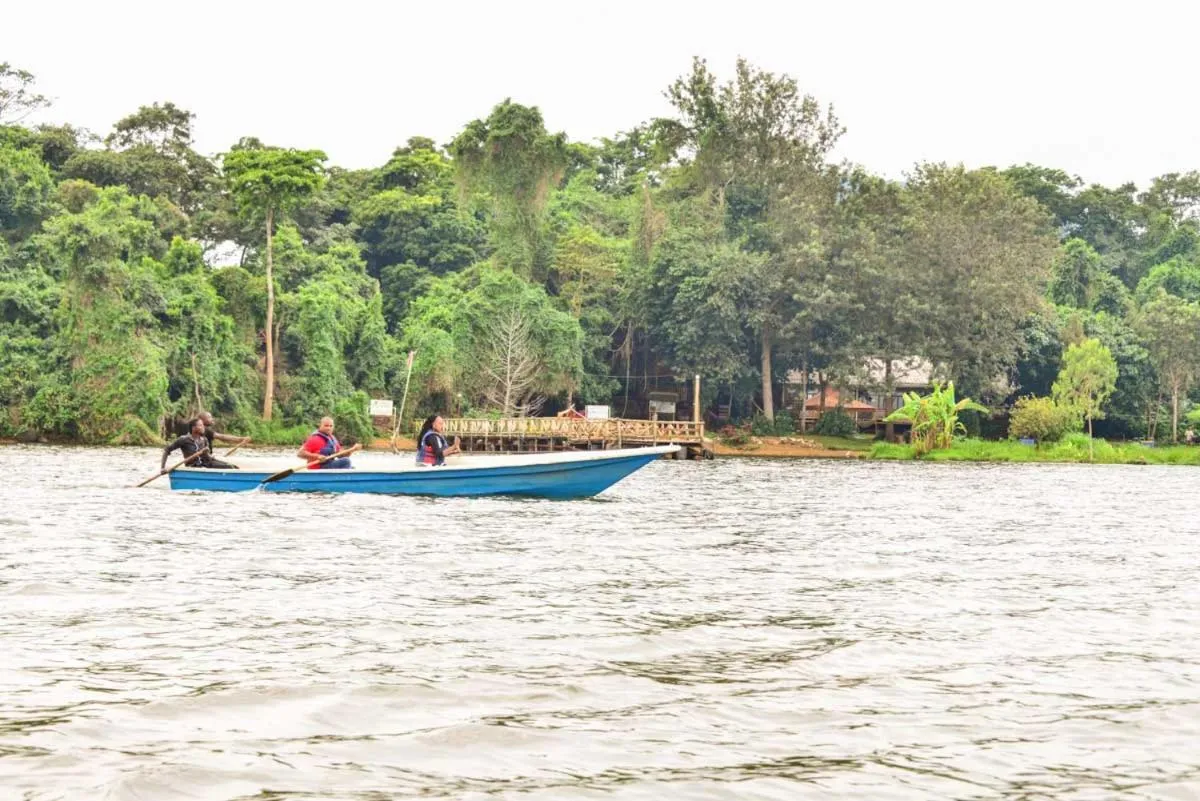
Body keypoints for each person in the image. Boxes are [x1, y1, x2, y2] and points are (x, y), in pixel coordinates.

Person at [161, 418, 230, 469]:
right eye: (201, 425)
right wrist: (162, 468)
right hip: (194, 466)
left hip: (206, 464)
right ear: (193, 428)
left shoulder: (204, 439)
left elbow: (207, 458)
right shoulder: (184, 439)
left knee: (231, 466)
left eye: (203, 425)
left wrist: (208, 455)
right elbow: (167, 450)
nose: (203, 428)